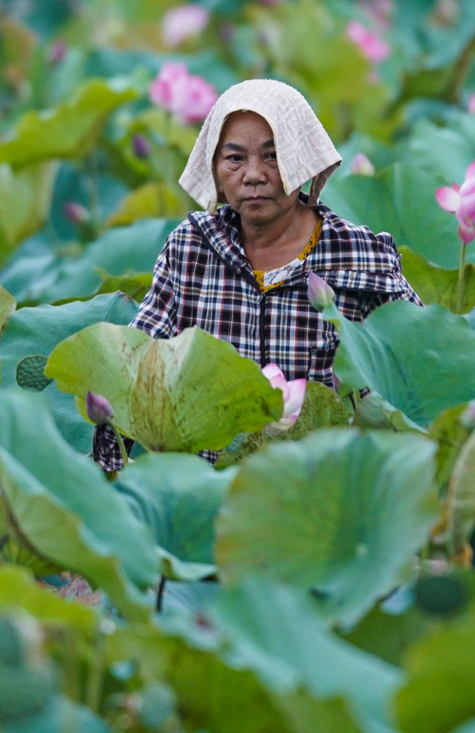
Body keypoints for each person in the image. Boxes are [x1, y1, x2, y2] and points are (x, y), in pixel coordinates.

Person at [92, 77, 420, 472]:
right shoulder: (191, 247)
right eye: (234, 159)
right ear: (214, 167)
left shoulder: (361, 254)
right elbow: (136, 366)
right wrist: (109, 476)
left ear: (302, 159)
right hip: (207, 485)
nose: (253, 175)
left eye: (273, 156)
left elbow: (419, 373)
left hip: (324, 481)